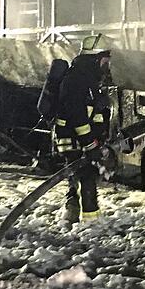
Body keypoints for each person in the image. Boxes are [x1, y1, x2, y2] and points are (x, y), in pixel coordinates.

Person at [54, 34, 112, 223]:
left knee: (79, 175)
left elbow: (91, 113)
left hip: (80, 138)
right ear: (96, 58)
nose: (107, 63)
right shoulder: (76, 80)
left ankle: (72, 213)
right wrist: (90, 144)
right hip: (72, 138)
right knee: (85, 176)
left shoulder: (88, 78)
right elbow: (77, 116)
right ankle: (89, 222)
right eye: (105, 59)